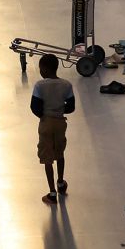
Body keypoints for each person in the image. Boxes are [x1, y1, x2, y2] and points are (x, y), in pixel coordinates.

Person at [31, 54, 75, 204]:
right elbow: (71, 106)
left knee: (47, 157)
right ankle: (61, 183)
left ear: (44, 69)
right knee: (60, 152)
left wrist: (44, 114)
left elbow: (34, 107)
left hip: (46, 123)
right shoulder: (66, 85)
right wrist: (60, 109)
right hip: (60, 122)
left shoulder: (39, 85)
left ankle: (51, 193)